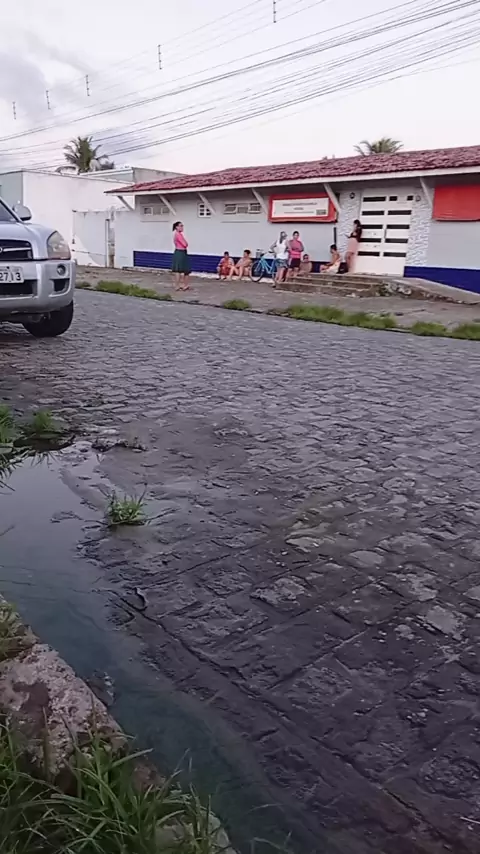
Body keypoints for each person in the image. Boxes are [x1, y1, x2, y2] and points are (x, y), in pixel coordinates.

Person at [172, 221, 191, 290]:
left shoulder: (179, 234)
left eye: (182, 226)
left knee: (184, 269)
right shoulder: (178, 234)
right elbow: (185, 244)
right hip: (180, 252)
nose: (182, 227)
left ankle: (183, 285)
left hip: (182, 252)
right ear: (176, 227)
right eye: (180, 226)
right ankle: (178, 285)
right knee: (179, 269)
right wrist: (185, 243)